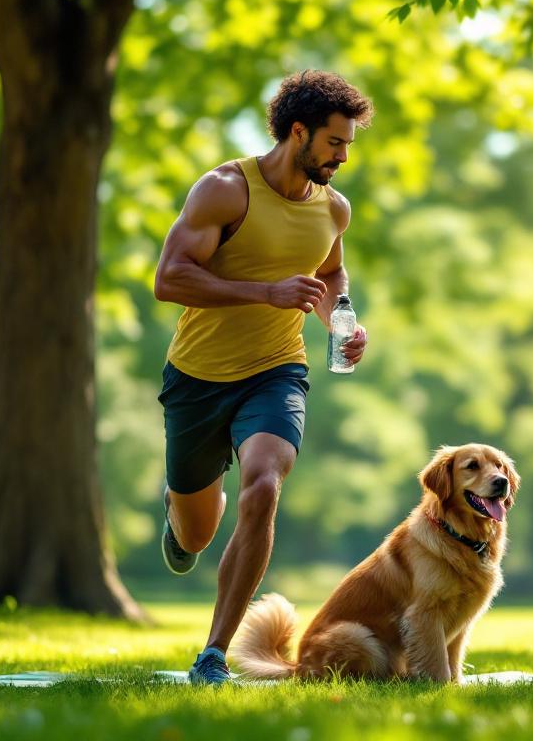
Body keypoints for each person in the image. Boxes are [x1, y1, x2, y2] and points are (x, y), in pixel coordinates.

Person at [152, 71, 373, 684]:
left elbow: (330, 274)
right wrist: (266, 291)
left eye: (348, 144)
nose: (343, 156)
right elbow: (169, 278)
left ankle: (213, 654)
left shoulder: (332, 208)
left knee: (265, 485)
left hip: (276, 372)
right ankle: (180, 510)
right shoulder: (225, 190)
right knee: (196, 535)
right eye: (334, 142)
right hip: (197, 376)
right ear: (298, 132)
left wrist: (342, 322)